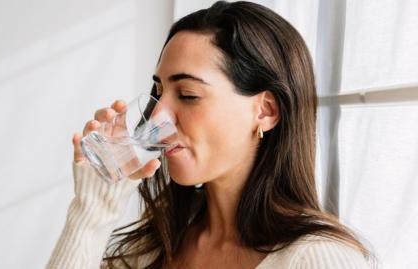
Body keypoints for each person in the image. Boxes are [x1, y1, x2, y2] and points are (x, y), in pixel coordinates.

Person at [46, 1, 372, 268]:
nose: (156, 116)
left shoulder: (318, 259)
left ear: (266, 111)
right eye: (159, 92)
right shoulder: (151, 250)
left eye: (188, 94)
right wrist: (92, 209)